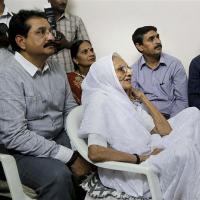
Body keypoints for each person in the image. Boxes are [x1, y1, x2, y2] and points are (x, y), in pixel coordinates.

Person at [78, 53, 200, 200]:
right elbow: (95, 152)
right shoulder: (99, 101)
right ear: (107, 75)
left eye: (128, 68)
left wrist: (143, 97)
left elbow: (165, 131)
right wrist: (140, 158)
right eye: (121, 69)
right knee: (185, 149)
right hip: (134, 172)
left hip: (151, 149)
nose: (129, 72)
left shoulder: (123, 99)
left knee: (193, 113)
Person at [0, 10, 91, 200]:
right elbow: (15, 135)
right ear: (21, 41)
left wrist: (79, 144)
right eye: (41, 32)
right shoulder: (7, 75)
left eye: (50, 31)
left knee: (95, 153)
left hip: (58, 137)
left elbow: (70, 111)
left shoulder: (57, 67)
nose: (51, 37)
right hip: (20, 151)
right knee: (58, 176)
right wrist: (71, 156)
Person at [131, 26, 188, 119]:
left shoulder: (174, 64)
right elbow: (135, 103)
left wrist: (170, 124)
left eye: (157, 37)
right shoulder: (133, 71)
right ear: (140, 46)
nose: (158, 41)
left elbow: (182, 100)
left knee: (194, 112)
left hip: (173, 118)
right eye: (151, 39)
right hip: (147, 121)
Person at [48, 0, 90, 73]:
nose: (63, 1)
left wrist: (66, 44)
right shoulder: (39, 20)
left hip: (69, 72)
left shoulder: (76, 20)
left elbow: (87, 46)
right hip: (44, 74)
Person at [67, 40, 96, 104]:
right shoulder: (69, 79)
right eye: (85, 52)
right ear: (75, 60)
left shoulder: (100, 75)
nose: (91, 54)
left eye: (91, 50)